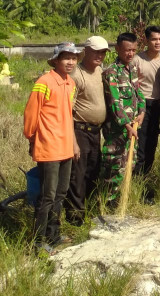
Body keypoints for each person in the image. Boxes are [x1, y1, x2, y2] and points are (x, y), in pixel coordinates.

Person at [24, 42, 82, 253]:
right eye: (66, 57)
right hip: (48, 147)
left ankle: (54, 234)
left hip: (65, 146)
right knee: (47, 196)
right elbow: (31, 115)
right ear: (56, 60)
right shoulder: (44, 82)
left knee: (61, 193)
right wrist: (32, 139)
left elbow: (69, 117)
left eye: (74, 58)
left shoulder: (70, 83)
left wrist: (73, 143)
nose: (70, 61)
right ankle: (38, 242)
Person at [66, 36, 109, 225]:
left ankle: (89, 210)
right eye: (96, 51)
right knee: (78, 174)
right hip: (79, 129)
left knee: (92, 171)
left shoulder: (100, 71)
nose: (100, 56)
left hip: (95, 131)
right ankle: (75, 217)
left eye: (103, 52)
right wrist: (73, 141)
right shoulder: (76, 74)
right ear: (86, 51)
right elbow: (68, 109)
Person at [101, 33, 145, 201]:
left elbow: (139, 93)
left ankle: (122, 199)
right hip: (118, 130)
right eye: (127, 50)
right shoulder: (111, 72)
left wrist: (141, 112)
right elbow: (114, 102)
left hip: (133, 128)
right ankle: (108, 202)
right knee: (114, 166)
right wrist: (126, 125)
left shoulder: (132, 69)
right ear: (118, 49)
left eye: (134, 50)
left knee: (129, 164)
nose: (130, 54)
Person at [133, 25, 160, 176]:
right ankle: (137, 179)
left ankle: (146, 179)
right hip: (141, 104)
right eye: (154, 39)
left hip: (157, 104)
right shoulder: (137, 60)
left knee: (152, 143)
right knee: (141, 145)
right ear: (146, 40)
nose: (157, 42)